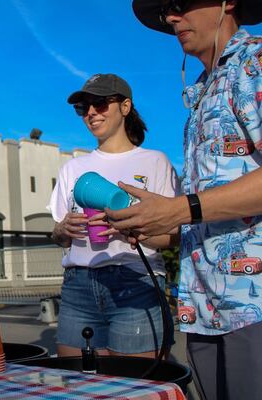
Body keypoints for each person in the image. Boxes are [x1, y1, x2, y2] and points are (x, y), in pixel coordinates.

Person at [107, 1, 262, 398]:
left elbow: (195, 207)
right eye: (165, 12)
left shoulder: (255, 62)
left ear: (228, 2)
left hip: (254, 306)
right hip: (204, 309)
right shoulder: (201, 92)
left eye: (180, 4)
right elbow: (210, 214)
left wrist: (179, 208)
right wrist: (150, 224)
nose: (172, 18)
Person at [49, 73, 179, 358]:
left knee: (137, 387)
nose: (91, 112)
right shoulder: (73, 168)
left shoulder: (155, 162)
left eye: (100, 103)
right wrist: (63, 230)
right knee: (78, 386)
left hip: (135, 281)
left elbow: (170, 236)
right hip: (78, 286)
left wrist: (129, 229)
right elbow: (58, 235)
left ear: (125, 106)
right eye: (84, 107)